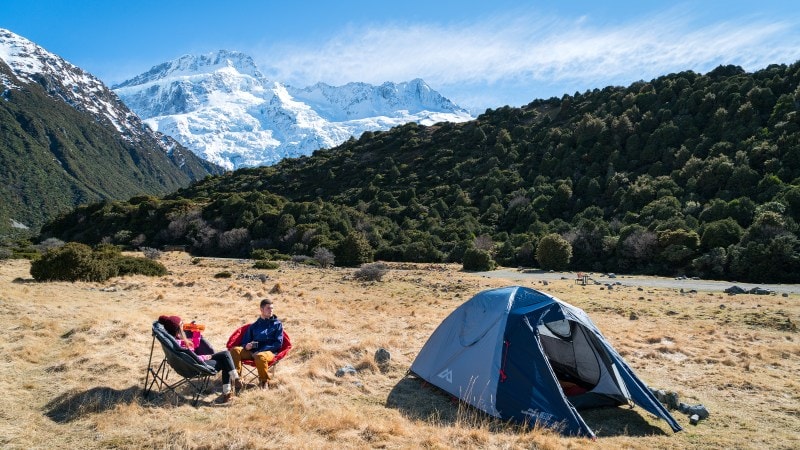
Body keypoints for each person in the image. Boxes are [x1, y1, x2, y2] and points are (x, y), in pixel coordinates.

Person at [157, 315, 240, 403]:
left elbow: (194, 345)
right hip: (197, 366)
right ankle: (234, 382)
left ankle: (231, 387)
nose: (183, 325)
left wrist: (196, 331)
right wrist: (205, 357)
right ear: (177, 328)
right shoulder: (178, 344)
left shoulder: (176, 339)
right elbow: (190, 357)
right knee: (225, 358)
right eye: (181, 324)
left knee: (225, 356)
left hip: (193, 363)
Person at [230, 298, 284, 390]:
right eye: (268, 308)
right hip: (252, 352)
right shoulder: (254, 326)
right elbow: (244, 342)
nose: (271, 310)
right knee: (235, 350)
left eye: (272, 308)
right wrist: (246, 346)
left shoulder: (277, 324)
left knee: (259, 356)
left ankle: (264, 382)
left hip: (268, 352)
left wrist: (260, 351)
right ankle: (238, 380)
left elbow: (278, 343)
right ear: (261, 309)